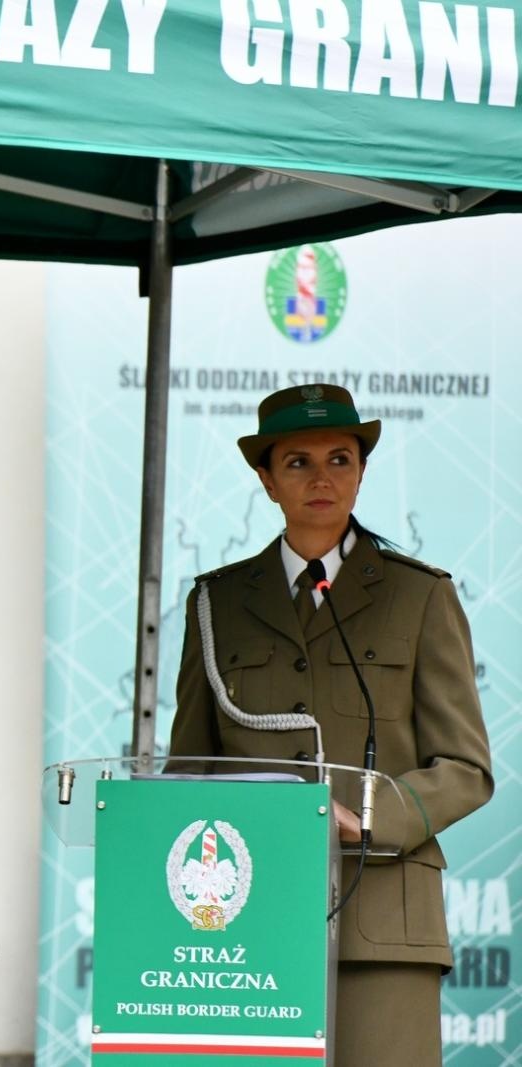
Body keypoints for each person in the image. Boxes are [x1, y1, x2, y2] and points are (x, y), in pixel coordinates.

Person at [169, 384, 492, 1066]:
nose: (322, 477)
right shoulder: (215, 603)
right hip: (246, 928)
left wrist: (366, 814)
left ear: (362, 470)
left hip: (384, 920)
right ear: (265, 478)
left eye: (340, 458)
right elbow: (188, 774)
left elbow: (466, 767)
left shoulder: (420, 594)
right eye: (298, 462)